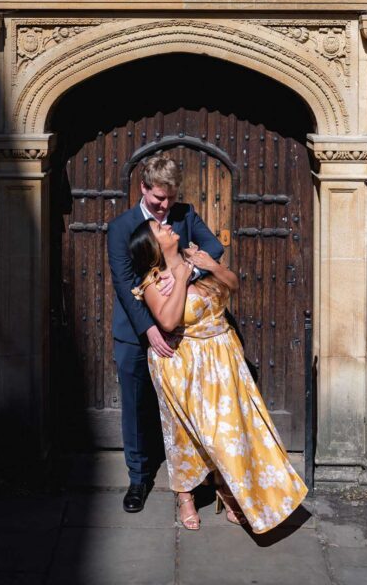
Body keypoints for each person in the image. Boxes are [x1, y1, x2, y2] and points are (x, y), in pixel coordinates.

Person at [129, 218, 308, 534]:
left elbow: (232, 284)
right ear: (153, 246)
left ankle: (239, 493)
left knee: (235, 431)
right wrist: (182, 277)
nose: (167, 226)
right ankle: (186, 497)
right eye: (160, 229)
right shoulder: (155, 281)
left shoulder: (195, 258)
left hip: (223, 356)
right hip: (184, 362)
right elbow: (169, 322)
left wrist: (210, 264)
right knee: (186, 433)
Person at [107, 154, 224, 513]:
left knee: (191, 405)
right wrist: (149, 328)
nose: (165, 207)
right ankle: (139, 478)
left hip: (182, 332)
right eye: (158, 198)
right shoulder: (121, 227)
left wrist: (185, 269)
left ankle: (199, 479)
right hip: (135, 333)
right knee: (137, 406)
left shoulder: (185, 215)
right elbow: (125, 283)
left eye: (170, 199)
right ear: (143, 188)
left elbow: (215, 249)